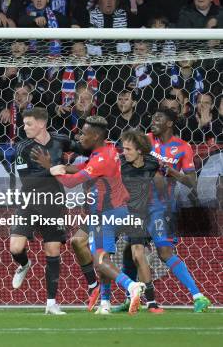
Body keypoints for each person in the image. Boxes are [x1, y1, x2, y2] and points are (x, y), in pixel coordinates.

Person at [49, 116, 145, 315]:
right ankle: (105, 303)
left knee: (100, 259)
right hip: (108, 211)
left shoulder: (102, 158)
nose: (79, 136)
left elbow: (71, 182)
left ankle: (131, 286)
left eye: (84, 133)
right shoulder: (106, 150)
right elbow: (84, 168)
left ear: (96, 135)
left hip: (107, 213)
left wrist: (55, 172)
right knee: (80, 241)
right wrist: (65, 167)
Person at [10, 107, 85, 315]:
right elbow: (26, 180)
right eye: (24, 124)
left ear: (41, 124)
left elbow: (84, 149)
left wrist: (98, 152)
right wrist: (50, 170)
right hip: (30, 200)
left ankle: (51, 303)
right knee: (16, 248)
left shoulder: (61, 140)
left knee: (52, 251)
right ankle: (24, 264)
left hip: (53, 201)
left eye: (29, 124)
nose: (24, 128)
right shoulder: (22, 147)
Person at [146, 108, 212, 312]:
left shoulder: (183, 147)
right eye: (153, 117)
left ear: (169, 123)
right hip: (136, 204)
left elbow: (192, 181)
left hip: (161, 207)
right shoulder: (145, 140)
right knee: (134, 250)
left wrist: (171, 171)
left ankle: (198, 296)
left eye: (159, 118)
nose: (153, 120)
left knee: (164, 252)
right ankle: (134, 298)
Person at [113, 129, 165, 314]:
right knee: (102, 251)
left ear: (140, 151)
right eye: (123, 148)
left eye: (128, 149)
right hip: (118, 213)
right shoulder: (119, 165)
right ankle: (113, 300)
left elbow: (161, 183)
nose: (123, 152)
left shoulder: (152, 164)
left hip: (138, 216)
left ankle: (151, 302)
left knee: (136, 254)